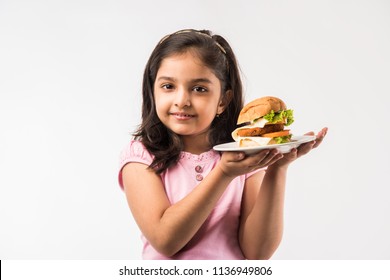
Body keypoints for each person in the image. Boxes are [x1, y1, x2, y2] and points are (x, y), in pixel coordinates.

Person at [118, 29, 327, 260]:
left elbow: (258, 252)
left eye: (199, 89)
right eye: (168, 86)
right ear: (153, 91)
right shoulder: (140, 156)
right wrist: (224, 174)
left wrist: (277, 166)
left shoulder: (245, 155)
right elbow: (166, 240)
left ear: (222, 101)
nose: (182, 101)